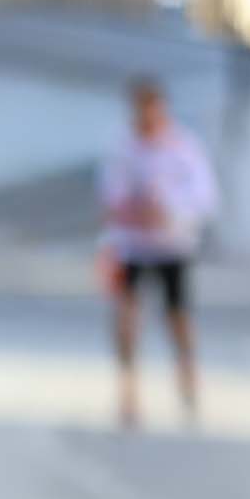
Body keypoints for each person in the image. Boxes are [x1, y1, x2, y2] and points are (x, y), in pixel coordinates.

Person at [98, 77, 220, 429]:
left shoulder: (184, 146)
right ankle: (128, 391)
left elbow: (206, 197)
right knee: (125, 318)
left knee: (178, 317)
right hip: (132, 246)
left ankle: (187, 379)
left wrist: (168, 210)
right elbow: (109, 196)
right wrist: (130, 211)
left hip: (172, 245)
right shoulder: (122, 147)